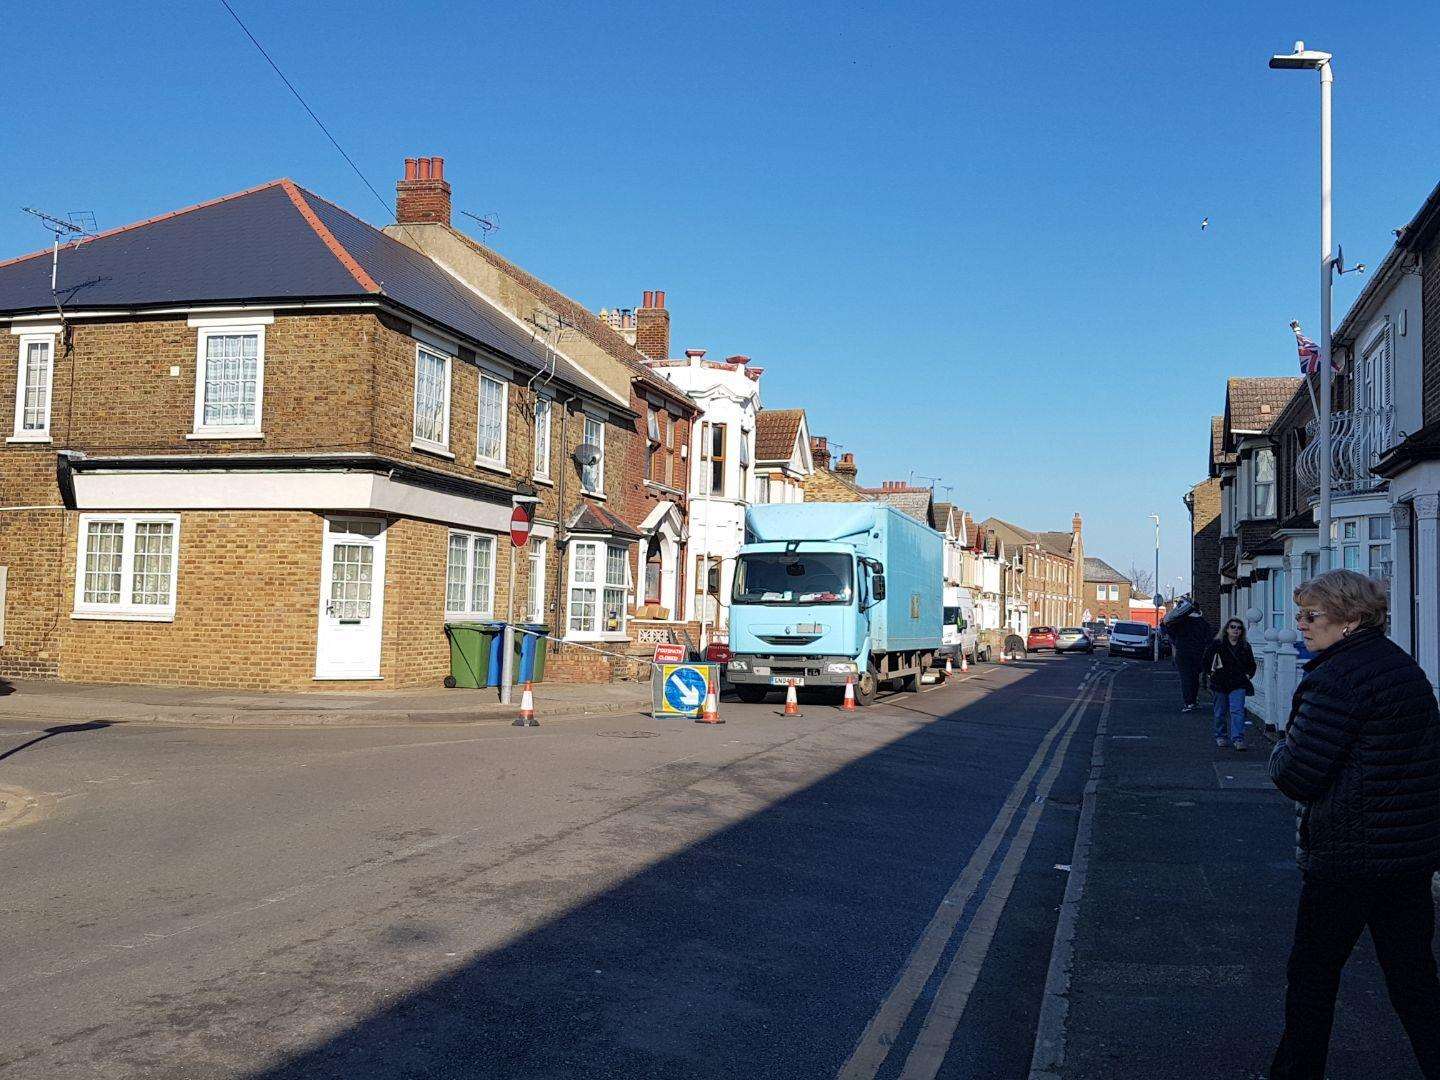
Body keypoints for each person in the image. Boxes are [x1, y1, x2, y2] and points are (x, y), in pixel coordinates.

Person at [1269, 570, 1440, 1080]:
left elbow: (1298, 773)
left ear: (1350, 620)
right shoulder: (1401, 668)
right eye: (1300, 614)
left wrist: (1280, 750)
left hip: (1348, 855)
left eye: (1312, 615)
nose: (1300, 625)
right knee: (1413, 979)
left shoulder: (1335, 677)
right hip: (1407, 855)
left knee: (1312, 977)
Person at [1202, 617, 1255, 750]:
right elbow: (1206, 660)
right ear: (1226, 629)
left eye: (1239, 628)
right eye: (1233, 627)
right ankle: (1221, 736)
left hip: (1238, 683)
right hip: (1220, 683)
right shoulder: (1217, 645)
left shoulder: (1245, 646)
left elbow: (1251, 664)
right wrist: (1210, 674)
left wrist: (1248, 674)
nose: (1236, 630)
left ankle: (1238, 739)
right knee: (1220, 712)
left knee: (1237, 711)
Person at [1164, 603, 1212, 712]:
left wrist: (1176, 642)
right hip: (1199, 654)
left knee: (1185, 678)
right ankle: (1193, 700)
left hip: (1183, 653)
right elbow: (1209, 639)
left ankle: (1188, 702)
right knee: (1194, 678)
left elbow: (1169, 629)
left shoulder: (1181, 622)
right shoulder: (1204, 623)